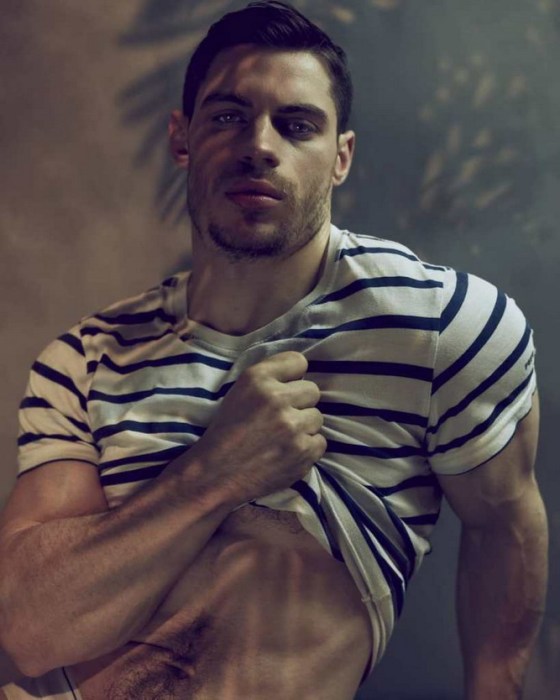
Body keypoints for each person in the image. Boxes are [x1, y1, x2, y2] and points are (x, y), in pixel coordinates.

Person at [0, 2, 548, 698]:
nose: (260, 145)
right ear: (182, 138)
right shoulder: (86, 360)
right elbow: (29, 626)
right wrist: (216, 473)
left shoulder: (442, 326)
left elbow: (504, 527)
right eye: (229, 116)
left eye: (296, 125)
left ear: (341, 157)